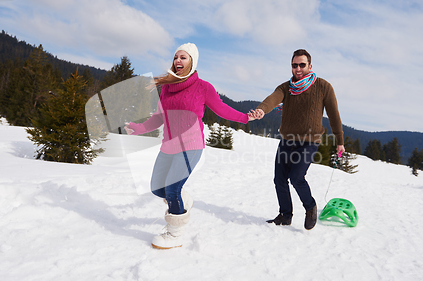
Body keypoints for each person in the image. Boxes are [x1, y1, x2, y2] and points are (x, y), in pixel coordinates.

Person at [124, 43, 256, 249]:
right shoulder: (167, 88)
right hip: (168, 145)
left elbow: (222, 109)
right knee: (157, 188)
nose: (178, 61)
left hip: (191, 146)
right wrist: (138, 128)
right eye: (176, 57)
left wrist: (245, 118)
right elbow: (159, 117)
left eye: (183, 57)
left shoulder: (203, 87)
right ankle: (183, 199)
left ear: (192, 62)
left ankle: (175, 234)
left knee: (172, 189)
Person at [252, 49, 345, 230]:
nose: (298, 68)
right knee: (279, 179)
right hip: (287, 140)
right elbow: (273, 98)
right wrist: (262, 109)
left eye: (302, 65)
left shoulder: (324, 87)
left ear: (310, 66)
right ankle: (285, 215)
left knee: (297, 177)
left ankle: (310, 207)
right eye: (294, 65)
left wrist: (339, 140)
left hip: (310, 141)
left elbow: (334, 115)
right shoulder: (286, 87)